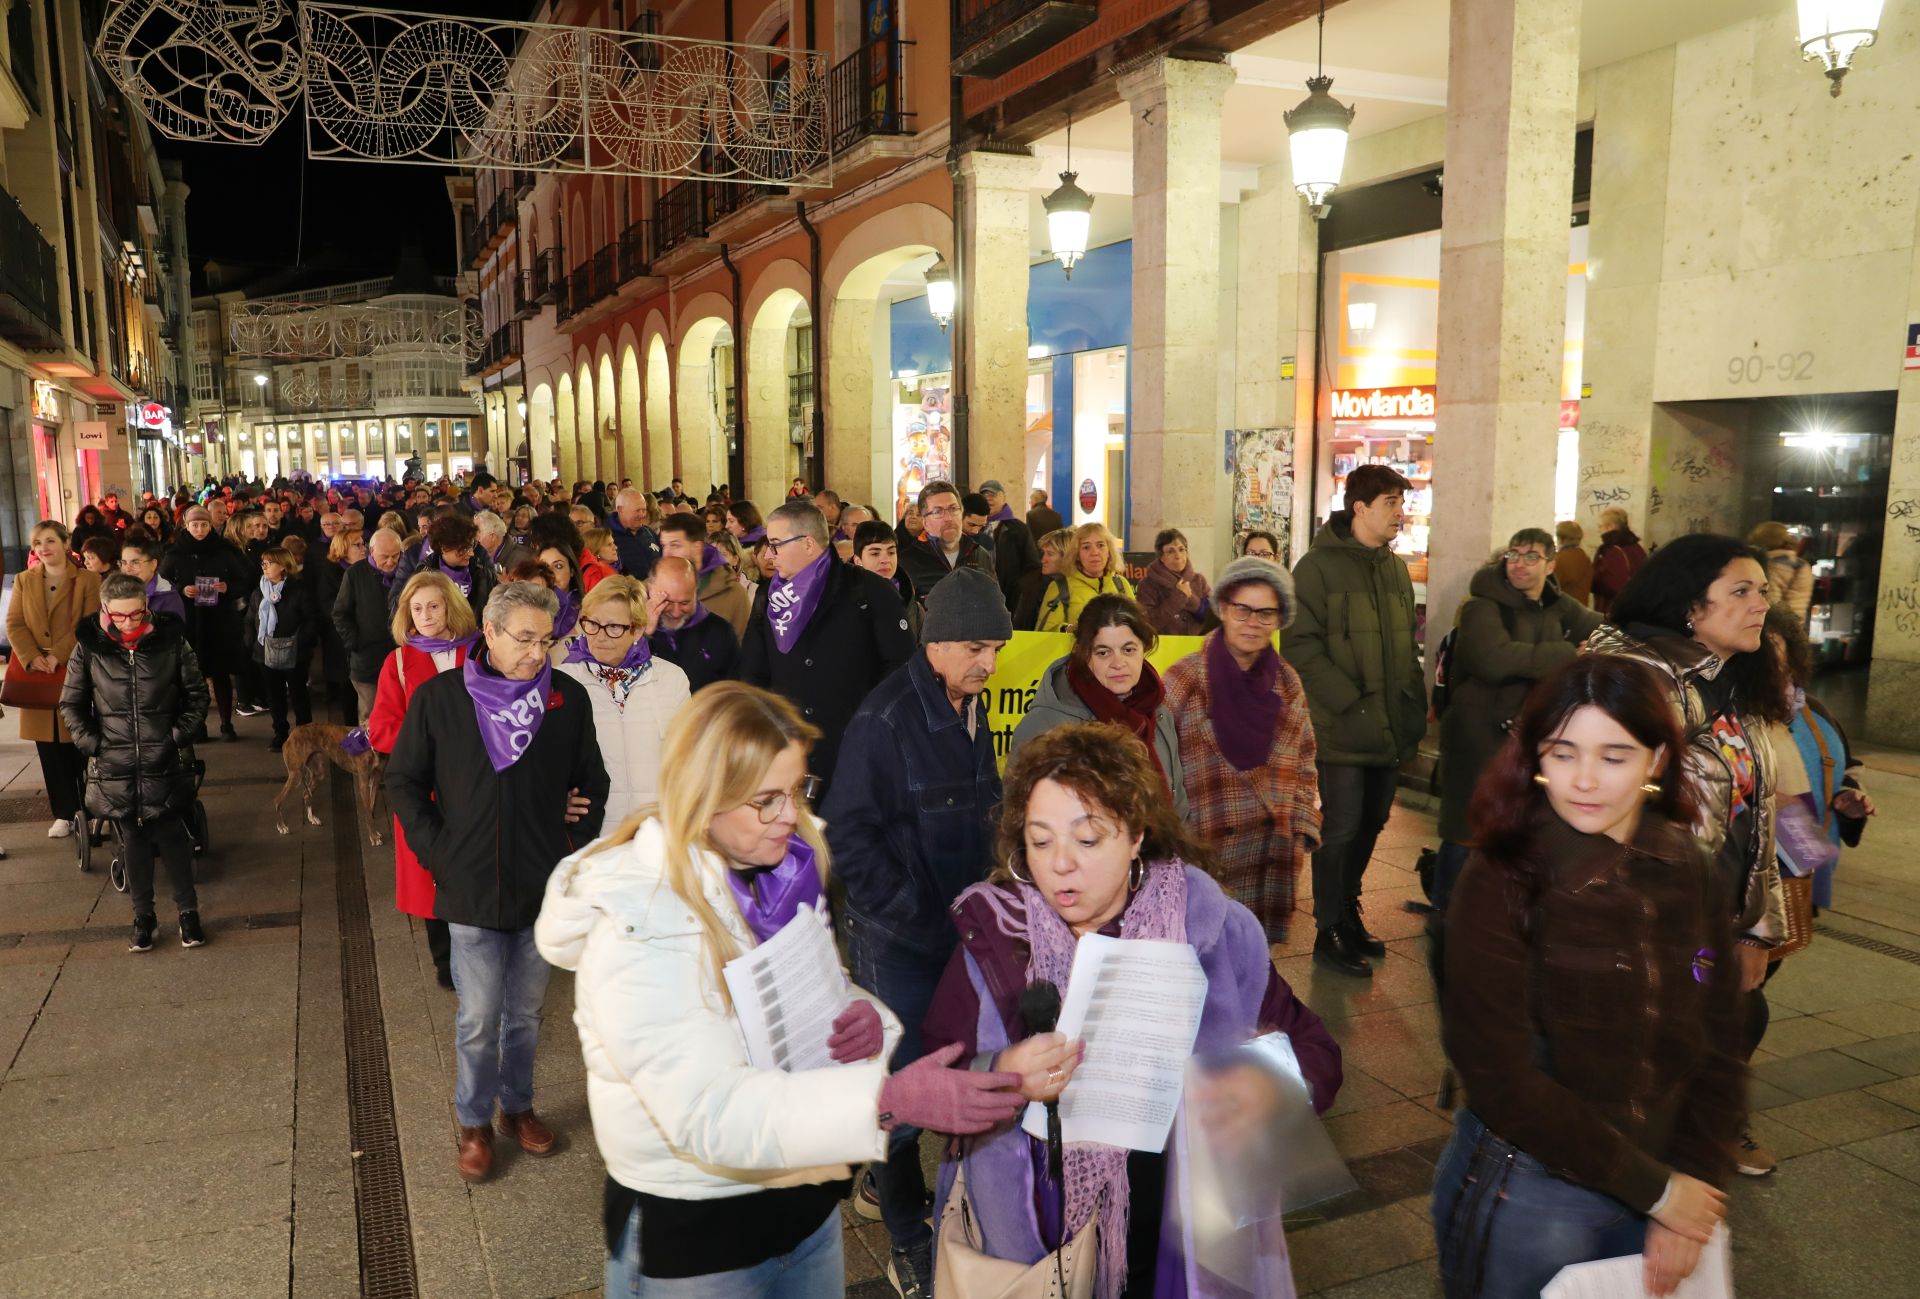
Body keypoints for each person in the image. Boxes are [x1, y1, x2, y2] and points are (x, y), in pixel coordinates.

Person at [535, 682, 1024, 1296]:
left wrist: (860, 1013)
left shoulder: (777, 873)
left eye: (796, 789)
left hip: (805, 1203)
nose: (791, 816)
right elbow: (710, 1112)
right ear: (701, 795)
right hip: (702, 1240)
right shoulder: (642, 924)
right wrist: (890, 1099)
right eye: (766, 799)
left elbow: (815, 986)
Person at [925, 721, 1343, 1299]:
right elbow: (936, 1087)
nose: (1060, 864)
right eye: (1040, 842)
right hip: (1039, 1258)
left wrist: (1266, 1088)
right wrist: (1002, 1075)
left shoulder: (1213, 933)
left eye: (1087, 840)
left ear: (1137, 835)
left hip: (1185, 1245)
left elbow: (1316, 1052)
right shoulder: (995, 941)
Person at [1433, 656, 1744, 1299]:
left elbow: (1719, 1038)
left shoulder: (1688, 865)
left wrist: (1692, 1182)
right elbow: (1498, 1074)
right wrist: (1659, 1193)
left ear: (1657, 760)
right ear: (1536, 756)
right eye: (1563, 752)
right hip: (1534, 1190)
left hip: (1665, 1178)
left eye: (1614, 756)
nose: (1583, 780)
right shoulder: (1501, 877)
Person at [824, 567, 1011, 1292]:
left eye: (996, 648)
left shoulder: (971, 706)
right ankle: (906, 1233)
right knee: (897, 1090)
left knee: (959, 1064)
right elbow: (848, 831)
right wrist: (908, 909)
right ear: (935, 643)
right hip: (898, 940)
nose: (989, 663)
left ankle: (890, 1187)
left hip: (961, 930)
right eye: (975, 647)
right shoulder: (885, 719)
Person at [386, 582, 612, 1182]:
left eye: (547, 641)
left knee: (528, 1014)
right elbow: (403, 782)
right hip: (470, 887)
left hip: (540, 885)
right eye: (525, 639)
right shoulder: (441, 698)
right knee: (479, 1018)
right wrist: (440, 853)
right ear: (489, 632)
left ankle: (517, 1108)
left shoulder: (565, 698)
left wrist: (571, 841)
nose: (537, 654)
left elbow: (593, 781)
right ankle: (474, 1122)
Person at [1584, 533, 1789, 1176]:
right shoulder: (1635, 680)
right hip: (1646, 918)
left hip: (1714, 906)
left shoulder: (1731, 681)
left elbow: (1757, 813)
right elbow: (1605, 818)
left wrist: (1756, 929)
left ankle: (1699, 1135)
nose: (1761, 604)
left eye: (1763, 590)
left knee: (1737, 1019)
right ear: (1688, 606)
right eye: (1741, 591)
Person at [1284, 464, 1426, 977]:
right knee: (1341, 827)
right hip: (1342, 724)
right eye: (1390, 502)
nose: (1399, 512)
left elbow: (1405, 650)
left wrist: (1411, 704)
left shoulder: (1394, 569)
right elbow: (1299, 645)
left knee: (1373, 821)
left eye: (1401, 502)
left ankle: (1348, 908)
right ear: (1360, 507)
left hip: (1388, 721)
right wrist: (1348, 700)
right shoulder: (1316, 569)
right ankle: (1328, 929)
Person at [1434, 530, 1604, 923]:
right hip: (1478, 732)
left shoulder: (1556, 605)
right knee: (1468, 828)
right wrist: (1566, 653)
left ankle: (1494, 913)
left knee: (1516, 828)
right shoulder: (1482, 606)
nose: (1519, 564)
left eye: (1531, 556)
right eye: (1513, 554)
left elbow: (1602, 628)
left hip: (1528, 732)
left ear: (1550, 564)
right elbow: (1494, 660)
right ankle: (1445, 912)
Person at [1164, 557, 1321, 946]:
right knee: (1201, 955)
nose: (1253, 622)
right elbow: (1154, 766)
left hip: (1269, 852)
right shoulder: (1184, 678)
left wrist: (1301, 828)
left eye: (1266, 613)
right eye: (1243, 609)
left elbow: (1305, 760)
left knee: (1252, 957)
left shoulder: (1287, 682)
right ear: (1223, 608)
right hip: (1204, 851)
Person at [61, 573, 211, 951]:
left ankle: (188, 913)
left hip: (165, 756)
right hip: (115, 761)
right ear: (105, 610)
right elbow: (71, 705)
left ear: (146, 606)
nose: (129, 623)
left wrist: (177, 736)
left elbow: (196, 696)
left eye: (136, 614)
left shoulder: (171, 640)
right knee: (132, 838)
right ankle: (143, 917)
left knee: (173, 835)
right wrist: (94, 744)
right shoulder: (89, 647)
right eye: (120, 616)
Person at [738, 500, 915, 795]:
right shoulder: (769, 598)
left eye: (776, 545)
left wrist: (867, 726)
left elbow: (900, 669)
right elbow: (753, 674)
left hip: (855, 754)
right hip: (789, 753)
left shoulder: (869, 591)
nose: (769, 555)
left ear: (808, 544)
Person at [367, 570, 479, 990]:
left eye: (433, 605)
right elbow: (381, 727)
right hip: (424, 785)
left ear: (451, 605)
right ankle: (444, 961)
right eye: (417, 608)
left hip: (476, 781)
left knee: (477, 863)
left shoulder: (480, 652)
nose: (426, 615)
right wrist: (431, 742)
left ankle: (482, 949)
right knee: (431, 869)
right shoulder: (398, 661)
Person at [1013, 594, 1187, 816]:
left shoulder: (1159, 714)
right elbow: (1022, 818)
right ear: (1084, 654)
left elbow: (1179, 809)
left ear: (1144, 648)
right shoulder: (1046, 726)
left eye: (1128, 650)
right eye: (1103, 652)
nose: (1118, 663)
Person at [557, 575, 690, 830]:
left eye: (614, 627)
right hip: (593, 833)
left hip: (657, 831)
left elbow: (689, 758)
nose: (600, 636)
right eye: (592, 624)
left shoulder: (671, 679)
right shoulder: (564, 681)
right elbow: (547, 760)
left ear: (637, 629)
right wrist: (556, 799)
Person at [1764, 605, 1873, 912]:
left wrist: (1848, 797)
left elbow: (1846, 768)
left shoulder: (1815, 713)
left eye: (1775, 659)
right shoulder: (1727, 715)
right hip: (1744, 883)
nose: (1766, 669)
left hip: (1800, 880)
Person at [9, 521, 103, 835]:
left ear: (65, 543)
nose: (43, 548)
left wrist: (58, 655)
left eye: (50, 541)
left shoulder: (87, 579)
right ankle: (63, 813)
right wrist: (32, 656)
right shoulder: (24, 580)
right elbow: (14, 623)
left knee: (79, 742)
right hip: (36, 673)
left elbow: (90, 623)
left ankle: (89, 809)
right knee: (48, 748)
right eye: (37, 543)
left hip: (74, 668)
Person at [160, 506, 250, 742]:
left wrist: (227, 587)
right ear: (186, 526)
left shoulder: (224, 550)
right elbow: (162, 582)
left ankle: (226, 723)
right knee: (193, 677)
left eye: (204, 525)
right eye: (195, 525)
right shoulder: (175, 552)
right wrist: (181, 589)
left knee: (221, 673)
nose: (199, 529)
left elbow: (243, 580)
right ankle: (197, 724)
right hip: (189, 620)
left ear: (211, 526)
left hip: (220, 620)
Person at [244, 546, 319, 752]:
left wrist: (299, 642)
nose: (264, 567)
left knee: (298, 694)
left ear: (283, 566)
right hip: (265, 652)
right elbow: (250, 619)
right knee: (274, 696)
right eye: (263, 563)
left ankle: (304, 734)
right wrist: (252, 641)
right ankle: (280, 733)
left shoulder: (299, 590)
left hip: (295, 653)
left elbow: (311, 620)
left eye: (269, 563)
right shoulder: (259, 592)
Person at [334, 528, 404, 723]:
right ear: (371, 551)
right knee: (370, 717)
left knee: (401, 713)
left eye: (395, 556)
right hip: (367, 661)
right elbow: (340, 613)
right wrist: (355, 642)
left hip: (401, 656)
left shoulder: (407, 572)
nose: (390, 562)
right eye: (384, 557)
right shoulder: (355, 574)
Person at [645, 556, 741, 693]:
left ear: (696, 592)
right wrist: (642, 637)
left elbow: (735, 692)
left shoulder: (720, 632)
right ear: (650, 589)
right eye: (667, 602)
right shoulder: (628, 628)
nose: (676, 613)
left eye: (685, 603)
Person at [899, 479, 995, 605]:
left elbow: (994, 604)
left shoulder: (980, 555)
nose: (948, 518)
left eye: (953, 509)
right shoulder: (907, 562)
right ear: (925, 523)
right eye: (938, 512)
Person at [658, 512, 749, 637]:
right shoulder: (652, 587)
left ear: (697, 547)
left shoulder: (734, 594)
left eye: (675, 545)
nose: (666, 554)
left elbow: (741, 645)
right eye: (664, 545)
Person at [390, 513, 497, 616]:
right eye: (464, 549)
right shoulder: (422, 576)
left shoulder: (483, 574)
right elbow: (399, 614)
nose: (471, 553)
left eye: (471, 546)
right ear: (444, 547)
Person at [1054, 522, 1136, 631]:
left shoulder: (1121, 584)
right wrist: (1068, 629)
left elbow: (1137, 625)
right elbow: (1044, 633)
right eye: (1086, 547)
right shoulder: (1060, 587)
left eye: (1100, 545)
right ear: (1077, 554)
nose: (1095, 552)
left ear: (1109, 551)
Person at [977, 479, 1041, 613]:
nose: (988, 499)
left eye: (993, 495)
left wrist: (1019, 591)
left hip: (1009, 600)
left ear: (1004, 497)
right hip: (979, 598)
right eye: (984, 495)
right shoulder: (974, 527)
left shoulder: (1018, 529)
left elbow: (1032, 565)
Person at [850, 519, 920, 639]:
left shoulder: (912, 604)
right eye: (875, 554)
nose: (885, 560)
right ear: (858, 560)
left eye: (891, 552)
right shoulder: (843, 600)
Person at [1136, 527, 1211, 636]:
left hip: (1196, 644)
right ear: (1161, 557)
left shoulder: (1199, 580)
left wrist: (1190, 599)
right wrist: (1178, 598)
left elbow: (1212, 617)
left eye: (1181, 549)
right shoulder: (1147, 585)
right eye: (1171, 551)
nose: (1178, 556)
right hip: (1164, 644)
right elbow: (1147, 623)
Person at [1749, 521, 1813, 622]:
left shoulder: (1773, 565)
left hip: (1773, 625)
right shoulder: (1802, 565)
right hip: (1794, 623)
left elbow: (1771, 600)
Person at [1591, 506, 1650, 615]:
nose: (1599, 530)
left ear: (1611, 526)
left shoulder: (1613, 550)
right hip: (1636, 607)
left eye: (1601, 526)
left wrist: (1592, 580)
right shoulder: (1636, 547)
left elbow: (1613, 585)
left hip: (1614, 609)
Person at [118, 539, 187, 623]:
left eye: (135, 562)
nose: (127, 569)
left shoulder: (169, 598)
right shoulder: (115, 592)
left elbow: (173, 630)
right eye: (124, 563)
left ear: (153, 564)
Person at [1023, 528, 1075, 633]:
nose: (1043, 560)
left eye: (1050, 554)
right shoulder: (1044, 584)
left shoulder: (1062, 587)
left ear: (1067, 556)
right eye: (1044, 553)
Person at [606, 487, 662, 580]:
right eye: (637, 510)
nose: (642, 515)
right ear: (620, 509)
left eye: (644, 510)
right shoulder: (606, 537)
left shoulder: (648, 532)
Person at [1554, 519, 1593, 606]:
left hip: (1563, 608)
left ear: (1561, 538)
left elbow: (1550, 587)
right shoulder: (1585, 557)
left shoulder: (1559, 559)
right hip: (1581, 608)